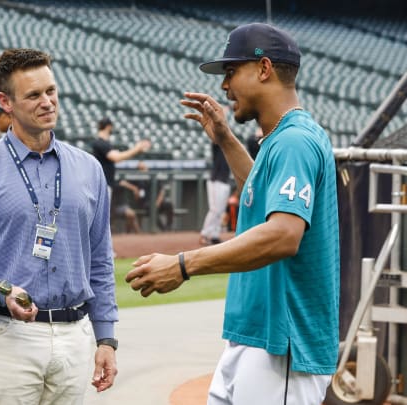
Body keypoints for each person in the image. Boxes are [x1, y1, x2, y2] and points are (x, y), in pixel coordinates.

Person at [125, 23, 339, 405]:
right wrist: (226, 139)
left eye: (231, 72)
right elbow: (259, 193)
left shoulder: (294, 140)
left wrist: (183, 264)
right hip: (255, 335)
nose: (225, 86)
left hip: (282, 344)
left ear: (263, 69)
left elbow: (283, 235)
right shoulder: (281, 139)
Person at [0, 48, 119, 404]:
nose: (47, 102)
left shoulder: (88, 169)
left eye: (51, 91)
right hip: (8, 338)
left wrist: (106, 338)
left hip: (74, 337)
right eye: (34, 95)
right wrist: (2, 289)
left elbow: (100, 258)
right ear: (5, 102)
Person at [91, 117, 151, 198]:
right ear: (109, 126)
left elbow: (118, 158)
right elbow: (117, 158)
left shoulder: (105, 144)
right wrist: (137, 148)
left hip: (105, 184)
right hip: (101, 185)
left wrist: (136, 150)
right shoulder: (99, 143)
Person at [199, 142, 231, 245]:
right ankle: (204, 234)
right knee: (215, 210)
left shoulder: (229, 146)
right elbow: (215, 138)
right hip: (215, 180)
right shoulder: (217, 144)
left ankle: (214, 235)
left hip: (225, 180)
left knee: (220, 211)